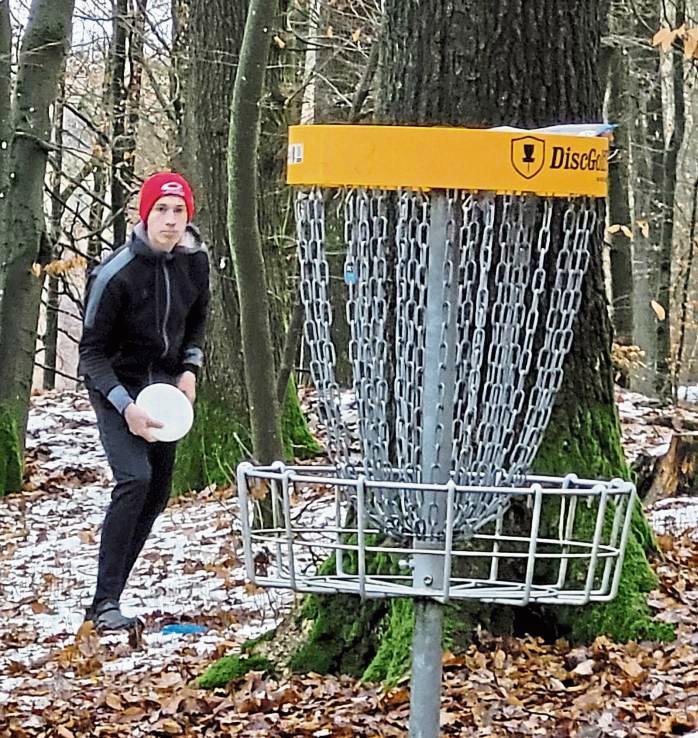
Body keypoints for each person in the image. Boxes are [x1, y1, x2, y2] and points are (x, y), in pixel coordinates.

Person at [79, 172, 210, 631]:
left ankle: (108, 600)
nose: (170, 221)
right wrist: (125, 406)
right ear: (145, 214)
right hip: (116, 386)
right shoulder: (115, 274)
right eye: (161, 210)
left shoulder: (196, 263)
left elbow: (196, 323)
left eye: (178, 211)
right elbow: (90, 353)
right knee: (134, 479)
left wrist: (189, 370)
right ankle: (105, 602)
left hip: (167, 391)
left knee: (156, 494)